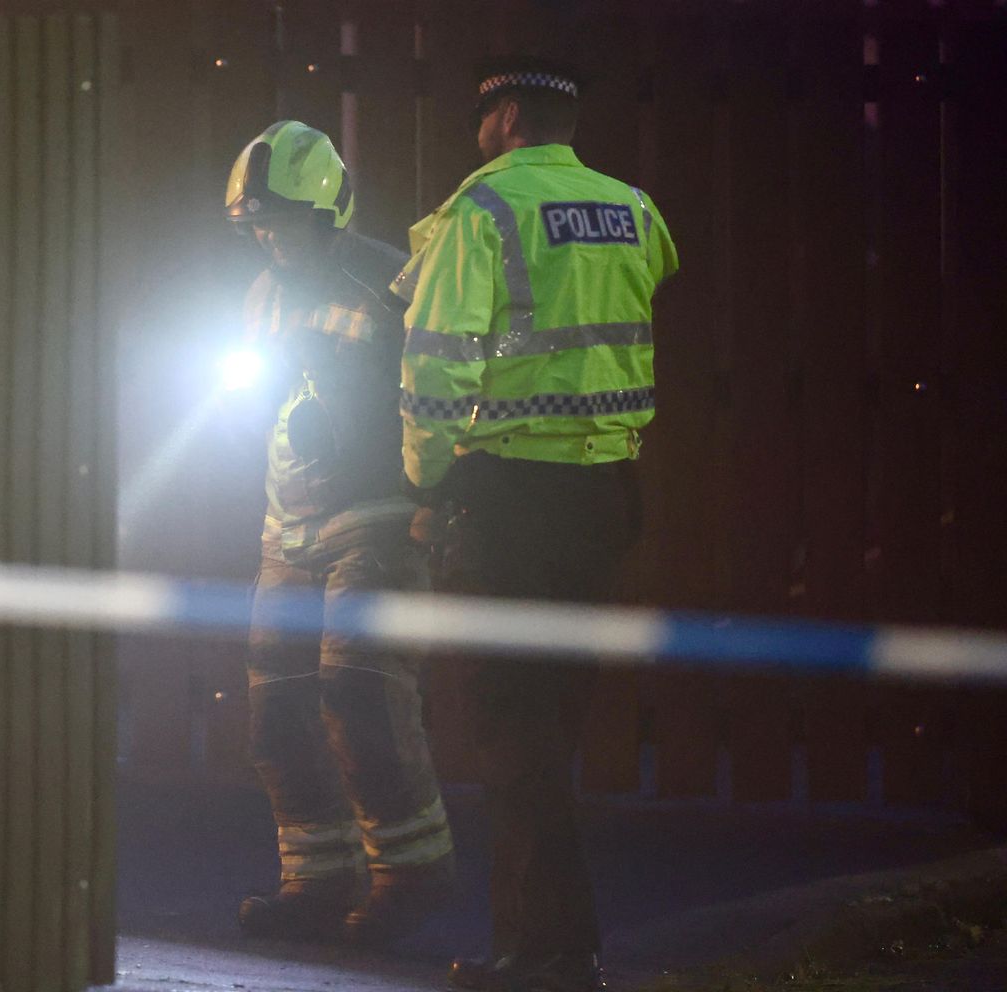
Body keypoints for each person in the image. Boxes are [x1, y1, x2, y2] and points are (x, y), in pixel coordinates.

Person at [391, 58, 679, 991]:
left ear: (505, 115)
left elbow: (436, 372)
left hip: (506, 497)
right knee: (550, 726)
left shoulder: (482, 215)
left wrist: (427, 490)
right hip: (603, 499)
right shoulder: (633, 209)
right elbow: (645, 292)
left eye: (482, 115)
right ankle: (557, 947)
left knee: (510, 734)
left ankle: (545, 955)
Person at [222, 121, 454, 946]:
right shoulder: (262, 296)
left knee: (358, 692)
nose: (268, 239)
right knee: (274, 712)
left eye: (280, 222)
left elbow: (455, 376)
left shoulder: (393, 280)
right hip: (287, 522)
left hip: (379, 514)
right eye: (256, 226)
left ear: (328, 213)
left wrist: (437, 492)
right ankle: (315, 880)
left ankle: (410, 873)